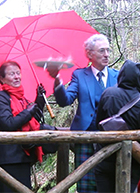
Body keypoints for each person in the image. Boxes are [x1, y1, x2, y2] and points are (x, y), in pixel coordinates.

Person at [46, 34, 119, 193]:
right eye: (101, 51)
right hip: (85, 137)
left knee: (110, 184)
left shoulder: (117, 75)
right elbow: (65, 101)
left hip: (111, 138)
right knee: (86, 185)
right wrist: (57, 79)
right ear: (90, 54)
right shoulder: (79, 75)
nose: (106, 54)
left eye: (108, 50)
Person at [95, 59, 140, 193]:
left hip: (105, 156)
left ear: (121, 75)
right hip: (132, 159)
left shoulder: (108, 94)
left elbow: (99, 122)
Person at [0, 61, 57, 192]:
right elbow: (8, 124)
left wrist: (38, 100)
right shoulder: (0, 97)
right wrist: (29, 111)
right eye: (11, 74)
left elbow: (33, 120)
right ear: (2, 79)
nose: (17, 76)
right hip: (10, 157)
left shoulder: (21, 98)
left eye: (18, 73)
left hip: (23, 155)